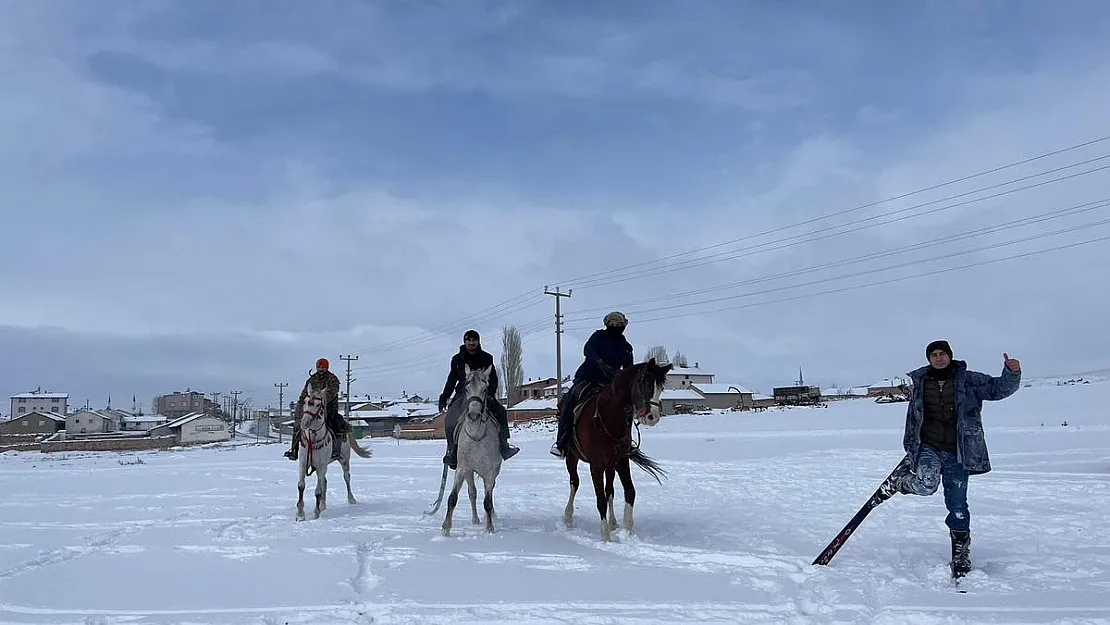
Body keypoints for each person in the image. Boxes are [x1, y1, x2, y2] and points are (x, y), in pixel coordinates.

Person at [879, 340, 1021, 578]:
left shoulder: (969, 380)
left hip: (959, 450)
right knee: (926, 486)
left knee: (957, 505)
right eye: (933, 354)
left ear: (949, 355)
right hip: (928, 447)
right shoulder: (920, 382)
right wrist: (911, 444)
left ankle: (961, 551)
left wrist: (1012, 373)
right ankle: (901, 483)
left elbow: (998, 389)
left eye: (942, 353)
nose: (938, 358)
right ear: (929, 359)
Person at [550, 311, 635, 458]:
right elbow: (588, 350)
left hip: (610, 384)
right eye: (612, 324)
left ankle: (627, 441)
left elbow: (628, 368)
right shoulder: (598, 337)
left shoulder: (625, 346)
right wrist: (599, 362)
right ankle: (562, 442)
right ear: (607, 324)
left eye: (618, 325)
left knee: (627, 408)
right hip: (587, 378)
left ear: (623, 326)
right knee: (569, 402)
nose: (614, 327)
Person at [438, 330, 518, 469]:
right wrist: (444, 397)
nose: (471, 343)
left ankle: (504, 445)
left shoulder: (487, 358)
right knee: (451, 417)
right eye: (468, 340)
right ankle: (453, 450)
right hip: (463, 394)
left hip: (482, 394)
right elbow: (452, 379)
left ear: (478, 342)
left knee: (500, 411)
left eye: (474, 340)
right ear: (464, 342)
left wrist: (490, 394)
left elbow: (493, 378)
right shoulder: (457, 359)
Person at [284, 358, 350, 462]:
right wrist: (299, 409)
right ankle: (294, 450)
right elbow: (303, 395)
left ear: (327, 368)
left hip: (328, 407)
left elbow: (331, 394)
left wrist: (319, 401)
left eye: (323, 367)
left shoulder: (333, 379)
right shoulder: (311, 380)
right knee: (297, 425)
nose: (321, 369)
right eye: (319, 367)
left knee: (336, 423)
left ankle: (336, 450)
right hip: (311, 408)